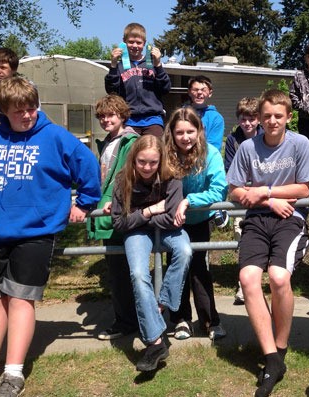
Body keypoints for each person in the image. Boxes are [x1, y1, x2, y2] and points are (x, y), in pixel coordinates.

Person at [0, 77, 101, 396]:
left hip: (36, 232)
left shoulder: (55, 137)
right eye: (19, 111)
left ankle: (13, 374)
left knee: (20, 298)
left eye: (31, 108)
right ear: (4, 112)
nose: (27, 115)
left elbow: (88, 169)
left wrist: (84, 203)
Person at [227, 89, 309, 397]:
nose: (272, 121)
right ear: (259, 119)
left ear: (288, 117)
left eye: (278, 116)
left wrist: (265, 193)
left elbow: (304, 187)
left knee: (279, 277)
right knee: (248, 277)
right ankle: (271, 358)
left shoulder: (300, 143)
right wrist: (265, 201)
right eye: (267, 116)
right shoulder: (248, 147)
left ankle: (281, 346)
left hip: (291, 218)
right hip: (258, 220)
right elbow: (236, 191)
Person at [111, 134, 192, 372]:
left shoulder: (172, 178)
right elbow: (119, 223)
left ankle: (162, 304)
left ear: (161, 161)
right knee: (137, 274)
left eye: (153, 163)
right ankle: (155, 341)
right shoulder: (122, 180)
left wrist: (139, 217)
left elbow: (172, 219)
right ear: (134, 159)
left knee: (185, 251)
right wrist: (148, 212)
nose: (147, 167)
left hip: (164, 230)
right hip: (136, 233)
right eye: (142, 162)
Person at [164, 107, 228, 341]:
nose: (185, 137)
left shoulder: (210, 153)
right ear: (171, 133)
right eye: (179, 132)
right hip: (172, 222)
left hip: (199, 219)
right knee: (176, 267)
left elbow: (219, 189)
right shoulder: (166, 155)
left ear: (199, 131)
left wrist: (189, 201)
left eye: (190, 131)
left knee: (199, 269)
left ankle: (210, 320)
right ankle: (180, 319)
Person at [88, 94, 139, 340]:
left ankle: (128, 322)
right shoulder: (108, 142)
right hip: (107, 213)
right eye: (101, 116)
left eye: (110, 115)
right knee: (117, 270)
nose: (105, 120)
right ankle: (126, 318)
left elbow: (126, 175)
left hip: (121, 213)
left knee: (125, 271)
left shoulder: (129, 142)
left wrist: (115, 200)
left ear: (122, 115)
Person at [224, 96, 263, 305]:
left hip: (264, 194)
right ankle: (243, 286)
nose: (247, 123)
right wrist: (244, 188)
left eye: (251, 118)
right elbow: (230, 168)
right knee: (242, 237)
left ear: (258, 119)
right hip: (242, 194)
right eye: (243, 119)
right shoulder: (233, 140)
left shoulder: (266, 136)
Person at [105, 22, 171, 137]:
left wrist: (158, 65)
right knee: (129, 153)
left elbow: (165, 88)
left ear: (144, 44)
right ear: (124, 42)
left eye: (139, 43)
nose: (135, 46)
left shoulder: (152, 64)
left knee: (153, 151)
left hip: (153, 119)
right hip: (129, 120)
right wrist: (113, 65)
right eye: (131, 42)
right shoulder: (119, 66)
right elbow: (112, 91)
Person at [187, 75, 225, 151]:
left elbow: (214, 147)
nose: (199, 92)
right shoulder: (181, 114)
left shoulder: (216, 118)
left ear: (210, 93)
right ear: (189, 92)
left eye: (203, 90)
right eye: (195, 89)